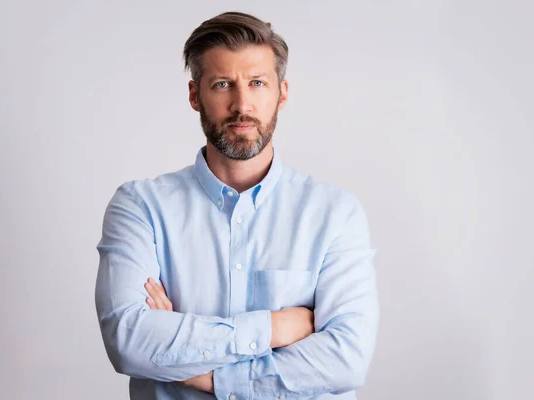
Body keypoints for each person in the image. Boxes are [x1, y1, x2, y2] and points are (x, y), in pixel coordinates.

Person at [95, 11, 379, 400]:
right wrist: (276, 328)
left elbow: (346, 360)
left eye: (257, 83)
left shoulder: (335, 214)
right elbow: (129, 342)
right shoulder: (140, 206)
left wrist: (202, 371)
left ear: (282, 93)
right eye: (222, 84)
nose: (241, 104)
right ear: (196, 95)